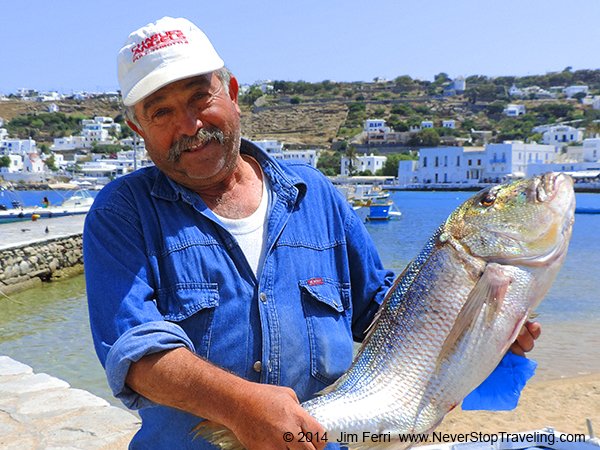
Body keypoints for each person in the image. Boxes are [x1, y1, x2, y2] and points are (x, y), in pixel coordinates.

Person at [83, 17, 540, 450]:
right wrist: (240, 408)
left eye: (200, 97)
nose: (189, 125)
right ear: (137, 128)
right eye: (161, 111)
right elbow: (136, 354)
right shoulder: (122, 213)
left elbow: (376, 306)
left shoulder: (315, 193)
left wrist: (474, 327)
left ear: (233, 92)